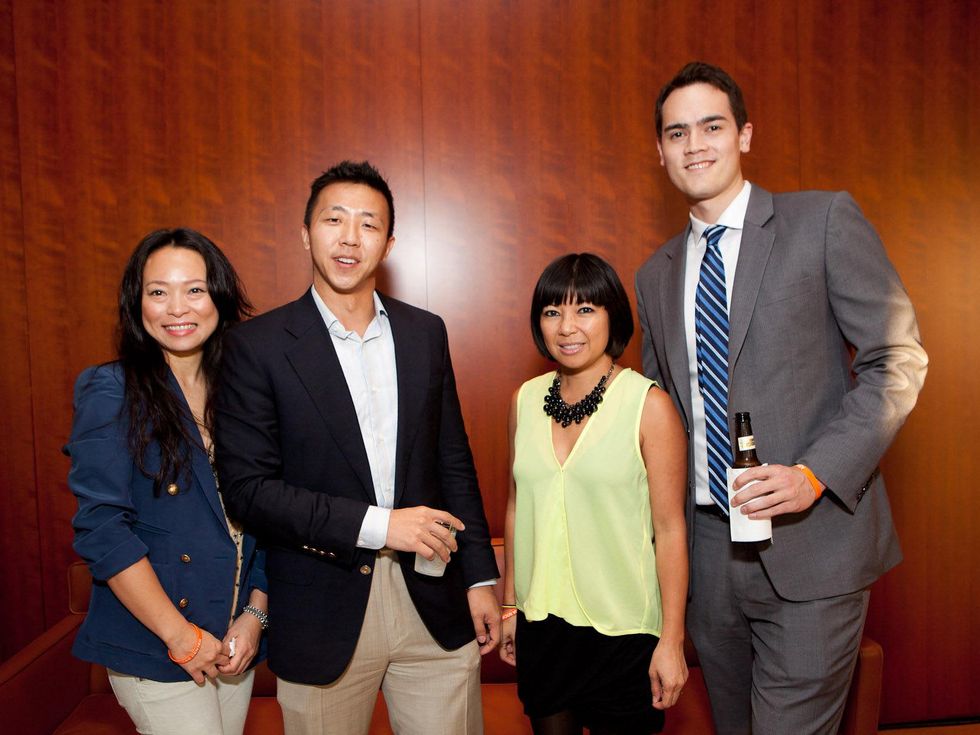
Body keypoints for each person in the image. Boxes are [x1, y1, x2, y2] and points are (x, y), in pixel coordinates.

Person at [635, 61, 928, 735]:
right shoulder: (654, 275)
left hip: (813, 545)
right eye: (677, 133)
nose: (695, 144)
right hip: (708, 559)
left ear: (744, 135)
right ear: (660, 151)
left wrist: (813, 474)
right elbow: (662, 421)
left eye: (712, 126)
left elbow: (897, 360)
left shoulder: (821, 220)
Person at [214, 160, 500, 735]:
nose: (350, 237)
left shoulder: (425, 332)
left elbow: (453, 461)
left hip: (433, 595)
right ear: (306, 233)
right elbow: (249, 492)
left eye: (369, 224)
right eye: (334, 220)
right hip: (321, 604)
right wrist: (381, 526)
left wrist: (479, 578)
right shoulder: (257, 346)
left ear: (388, 244)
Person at [66, 228, 268, 735]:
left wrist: (255, 615)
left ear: (219, 297)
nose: (177, 307)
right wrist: (180, 637)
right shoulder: (112, 389)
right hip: (159, 642)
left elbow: (266, 512)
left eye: (194, 289)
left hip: (231, 642)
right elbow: (102, 529)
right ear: (137, 304)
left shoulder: (241, 391)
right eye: (158, 291)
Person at [499, 253, 688, 735]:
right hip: (542, 627)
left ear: (612, 316)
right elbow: (518, 507)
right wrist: (510, 606)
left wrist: (672, 640)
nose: (567, 327)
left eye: (585, 309)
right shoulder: (524, 401)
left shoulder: (649, 405)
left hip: (624, 632)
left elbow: (670, 530)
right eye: (552, 311)